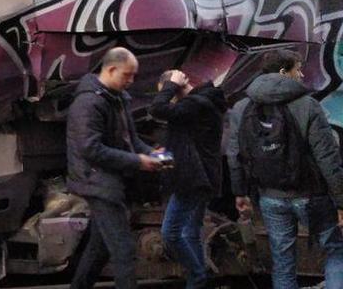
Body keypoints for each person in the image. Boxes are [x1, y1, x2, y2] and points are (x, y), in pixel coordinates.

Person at [227, 49, 343, 289]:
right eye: (297, 69)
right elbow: (328, 158)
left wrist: (240, 193)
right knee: (335, 251)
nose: (300, 75)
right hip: (312, 196)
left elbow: (234, 154)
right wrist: (341, 201)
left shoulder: (241, 108)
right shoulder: (307, 105)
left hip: (270, 197)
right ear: (283, 72)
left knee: (282, 260)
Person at [67, 47, 164, 289]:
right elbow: (91, 149)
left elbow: (130, 139)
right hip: (97, 182)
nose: (131, 81)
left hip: (108, 180)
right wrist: (138, 161)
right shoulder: (88, 103)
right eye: (127, 75)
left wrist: (152, 153)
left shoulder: (116, 98)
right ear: (111, 69)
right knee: (124, 251)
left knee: (98, 249)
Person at [149, 70, 227, 289]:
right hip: (202, 176)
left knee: (170, 233)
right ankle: (197, 280)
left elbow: (157, 109)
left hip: (193, 179)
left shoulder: (196, 105)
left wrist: (171, 85)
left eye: (169, 94)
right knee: (191, 231)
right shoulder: (203, 103)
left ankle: (197, 276)